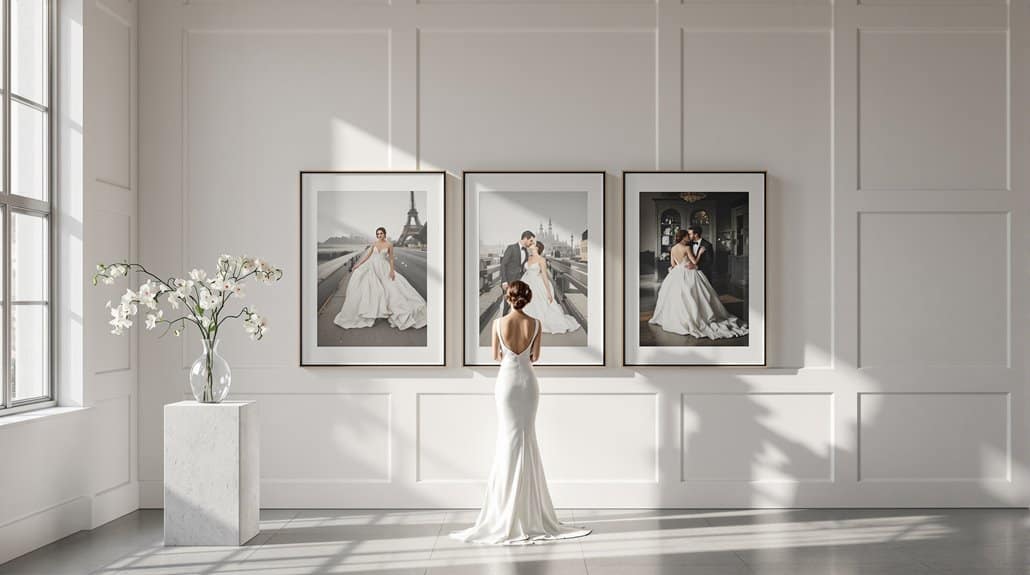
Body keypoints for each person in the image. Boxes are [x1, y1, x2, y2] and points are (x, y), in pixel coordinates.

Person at [451, 281, 591, 545]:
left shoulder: (497, 324)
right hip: (528, 383)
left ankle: (504, 510)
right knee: (527, 438)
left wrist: (508, 353)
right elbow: (534, 356)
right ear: (527, 299)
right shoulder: (536, 324)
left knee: (507, 439)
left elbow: (496, 356)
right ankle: (529, 509)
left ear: (508, 297)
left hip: (505, 384)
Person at [648, 229, 747, 339]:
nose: (688, 238)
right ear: (683, 237)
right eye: (687, 236)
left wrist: (679, 265)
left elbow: (672, 264)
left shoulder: (673, 249)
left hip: (677, 273)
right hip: (689, 272)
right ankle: (698, 316)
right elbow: (694, 262)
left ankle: (680, 318)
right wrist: (699, 254)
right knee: (696, 295)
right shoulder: (686, 248)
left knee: (679, 297)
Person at [333, 226, 427, 331]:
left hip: (384, 268)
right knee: (374, 288)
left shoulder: (389, 245)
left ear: (384, 234)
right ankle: (374, 310)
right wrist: (357, 265)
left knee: (390, 289)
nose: (379, 235)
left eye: (381, 233)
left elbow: (391, 259)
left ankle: (389, 309)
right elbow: (367, 256)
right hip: (373, 267)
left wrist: (392, 270)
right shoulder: (374, 244)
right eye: (377, 234)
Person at [519, 241, 580, 334]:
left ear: (537, 248)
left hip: (537, 283)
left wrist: (548, 292)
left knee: (539, 304)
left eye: (533, 245)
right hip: (526, 281)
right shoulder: (528, 258)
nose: (530, 246)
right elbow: (525, 270)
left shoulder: (541, 260)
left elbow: (544, 276)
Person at [499, 230, 535, 314]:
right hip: (508, 281)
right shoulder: (511, 248)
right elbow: (503, 265)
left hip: (519, 281)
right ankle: (504, 323)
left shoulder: (526, 252)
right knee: (507, 304)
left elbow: (522, 266)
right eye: (531, 240)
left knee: (516, 305)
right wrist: (504, 281)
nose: (531, 243)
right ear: (525, 238)